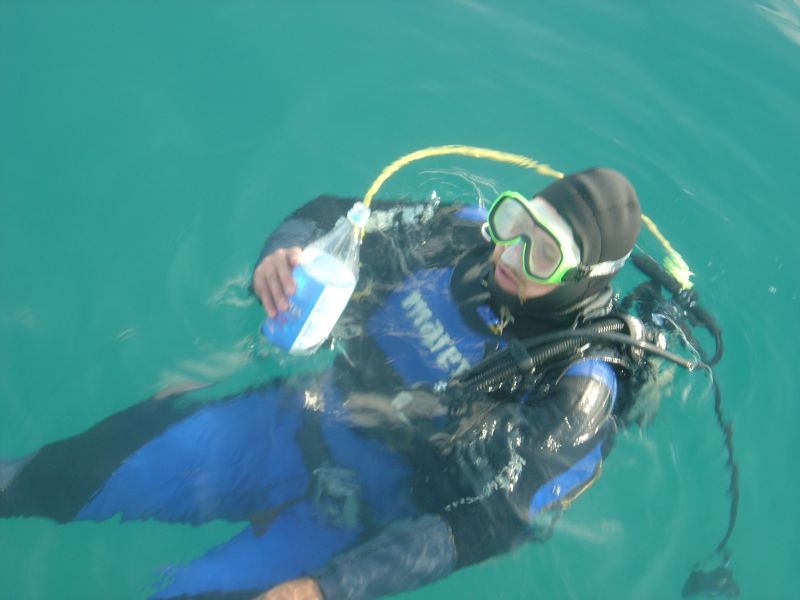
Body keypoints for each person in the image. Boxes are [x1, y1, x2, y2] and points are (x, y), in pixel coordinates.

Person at [1, 168, 650, 599]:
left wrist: (327, 589)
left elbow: (488, 526)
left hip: (360, 514)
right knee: (56, 476)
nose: (509, 253)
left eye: (543, 253)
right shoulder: (460, 233)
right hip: (292, 419)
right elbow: (332, 215)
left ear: (585, 278)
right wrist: (282, 256)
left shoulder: (579, 385)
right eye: (517, 224)